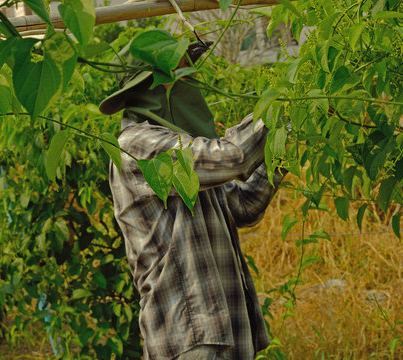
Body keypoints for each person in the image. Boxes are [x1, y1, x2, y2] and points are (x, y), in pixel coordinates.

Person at [99, 35, 286, 360]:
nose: (193, 80)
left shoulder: (185, 146)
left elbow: (243, 206)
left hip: (225, 328)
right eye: (183, 71)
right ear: (154, 84)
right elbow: (234, 156)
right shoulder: (136, 144)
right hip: (189, 335)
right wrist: (286, 109)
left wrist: (283, 146)